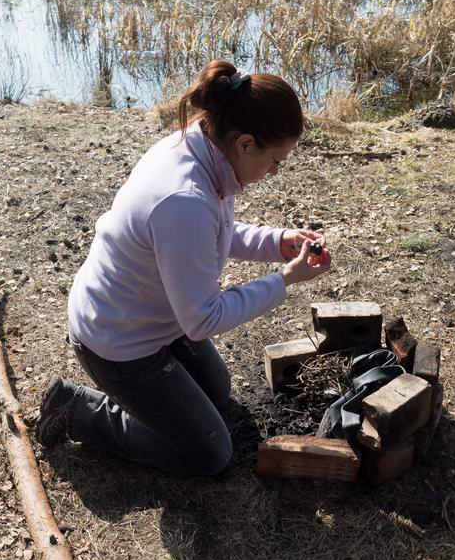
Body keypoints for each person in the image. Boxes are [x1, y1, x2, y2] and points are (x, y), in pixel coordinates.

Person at [35, 60, 331, 475]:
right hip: (117, 341)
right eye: (275, 159)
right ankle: (78, 409)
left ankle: (153, 400)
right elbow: (204, 318)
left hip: (155, 319)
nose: (275, 171)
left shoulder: (204, 149)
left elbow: (213, 233)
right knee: (208, 453)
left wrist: (276, 242)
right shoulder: (184, 198)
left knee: (217, 391)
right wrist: (284, 280)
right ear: (245, 143)